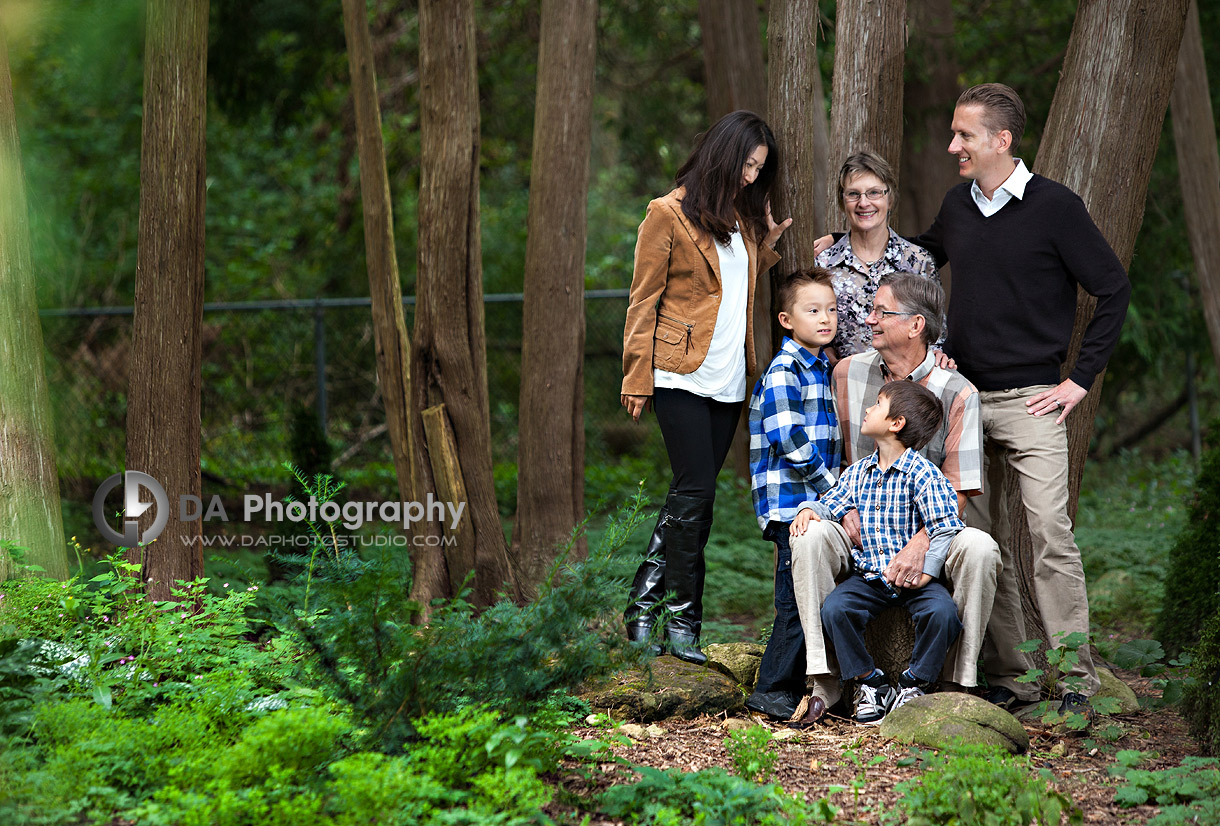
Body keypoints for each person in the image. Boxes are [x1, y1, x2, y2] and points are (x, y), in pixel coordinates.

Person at [815, 83, 1130, 715]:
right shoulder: (960, 206)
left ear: (1001, 140)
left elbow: (1112, 288)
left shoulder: (1056, 209)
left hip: (1036, 397)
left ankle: (1075, 680)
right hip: (962, 399)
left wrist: (1079, 379)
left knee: (1047, 529)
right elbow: (917, 258)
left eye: (964, 135)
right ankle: (1008, 676)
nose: (953, 145)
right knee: (974, 538)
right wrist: (841, 249)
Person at [621, 110, 792, 665]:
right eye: (746, 163)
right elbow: (643, 299)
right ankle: (681, 624)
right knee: (698, 496)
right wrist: (636, 377)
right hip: (678, 373)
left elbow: (732, 287)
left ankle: (641, 608)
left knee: (686, 496)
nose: (750, 176)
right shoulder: (665, 214)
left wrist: (765, 246)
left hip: (729, 379)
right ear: (722, 155)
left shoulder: (741, 220)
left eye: (759, 168)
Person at [831, 274, 999, 697]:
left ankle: (957, 684)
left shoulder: (957, 390)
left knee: (980, 548)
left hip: (933, 528)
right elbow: (833, 463)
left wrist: (922, 542)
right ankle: (827, 683)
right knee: (810, 535)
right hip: (861, 524)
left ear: (915, 325)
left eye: (880, 312)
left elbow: (956, 490)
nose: (867, 320)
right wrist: (840, 510)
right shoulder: (846, 374)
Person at [797, 381, 966, 725]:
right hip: (870, 576)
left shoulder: (923, 473)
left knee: (943, 613)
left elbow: (947, 524)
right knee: (835, 609)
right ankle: (869, 681)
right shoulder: (859, 472)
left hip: (915, 579)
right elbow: (832, 504)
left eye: (877, 404)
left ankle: (914, 683)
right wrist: (808, 509)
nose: (867, 410)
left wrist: (929, 571)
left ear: (896, 423)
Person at [741, 269, 842, 721]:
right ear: (786, 319)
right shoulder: (785, 371)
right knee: (793, 602)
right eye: (813, 310)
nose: (826, 318)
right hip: (789, 504)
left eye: (832, 309)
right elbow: (791, 442)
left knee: (807, 595)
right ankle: (771, 688)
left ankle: (798, 681)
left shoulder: (820, 366)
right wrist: (835, 490)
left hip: (810, 503)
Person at [816, 151, 941, 360]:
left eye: (874, 193)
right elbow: (811, 334)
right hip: (844, 385)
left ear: (890, 199)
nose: (864, 203)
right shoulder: (823, 264)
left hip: (905, 387)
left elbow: (936, 337)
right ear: (842, 202)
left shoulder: (919, 262)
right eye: (853, 194)